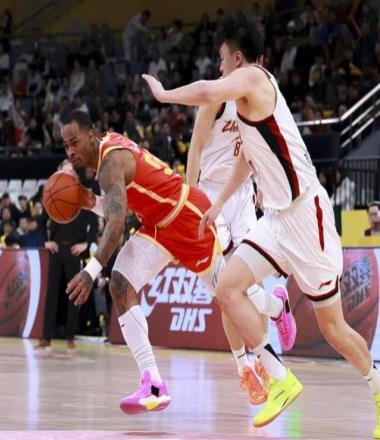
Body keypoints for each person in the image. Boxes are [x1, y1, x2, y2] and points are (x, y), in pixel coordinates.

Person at [142, 15, 380, 434]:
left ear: (237, 58)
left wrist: (164, 94)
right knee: (226, 288)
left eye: (221, 59)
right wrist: (217, 204)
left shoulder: (253, 79)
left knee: (334, 330)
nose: (219, 67)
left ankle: (377, 388)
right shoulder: (243, 100)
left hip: (306, 216)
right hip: (275, 220)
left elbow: (206, 91)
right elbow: (247, 157)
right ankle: (279, 378)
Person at [62, 111, 294, 415]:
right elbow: (123, 206)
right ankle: (153, 385)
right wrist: (90, 201)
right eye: (66, 146)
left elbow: (117, 224)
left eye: (75, 142)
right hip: (157, 227)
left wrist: (90, 271)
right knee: (120, 283)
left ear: (91, 135)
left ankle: (276, 309)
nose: (71, 151)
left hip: (186, 219)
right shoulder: (107, 157)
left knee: (230, 294)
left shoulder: (110, 162)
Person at [187, 95, 294, 403]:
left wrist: (262, 185)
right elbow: (195, 148)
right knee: (226, 289)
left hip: (243, 194)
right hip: (211, 195)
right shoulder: (215, 100)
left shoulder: (256, 97)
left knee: (246, 281)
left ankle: (261, 361)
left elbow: (256, 149)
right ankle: (269, 321)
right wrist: (190, 199)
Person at [37, 160, 98, 352]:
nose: (68, 173)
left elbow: (95, 223)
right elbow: (40, 222)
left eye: (71, 170)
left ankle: (71, 336)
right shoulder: (53, 194)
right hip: (56, 250)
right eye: (64, 170)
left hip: (74, 250)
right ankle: (46, 337)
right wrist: (45, 241)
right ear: (58, 173)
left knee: (73, 294)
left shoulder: (81, 194)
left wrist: (86, 244)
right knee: (51, 294)